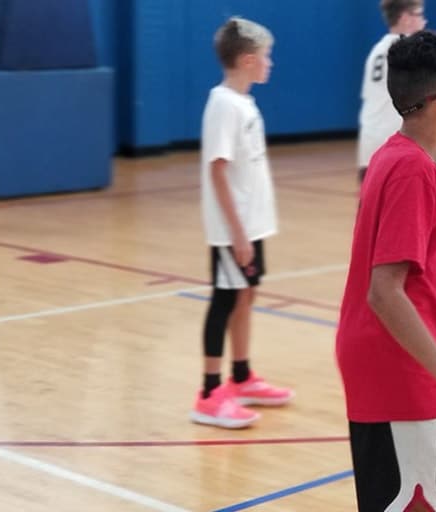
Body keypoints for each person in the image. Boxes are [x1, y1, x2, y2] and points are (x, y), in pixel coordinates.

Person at [337, 30, 436, 512]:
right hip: (397, 372)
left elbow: (409, 284)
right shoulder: (414, 172)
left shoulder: (394, 155)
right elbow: (384, 292)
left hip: (396, 360)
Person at [190, 17, 293, 429]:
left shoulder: (244, 102)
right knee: (225, 300)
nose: (270, 63)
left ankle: (242, 375)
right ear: (248, 60)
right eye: (266, 56)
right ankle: (210, 392)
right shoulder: (223, 104)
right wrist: (236, 233)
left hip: (251, 225)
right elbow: (218, 170)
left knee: (246, 295)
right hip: (234, 229)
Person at [356, 0, 436, 185]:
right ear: (405, 18)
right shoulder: (401, 51)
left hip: (369, 145)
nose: (424, 21)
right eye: (419, 15)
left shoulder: (377, 51)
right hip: (391, 143)